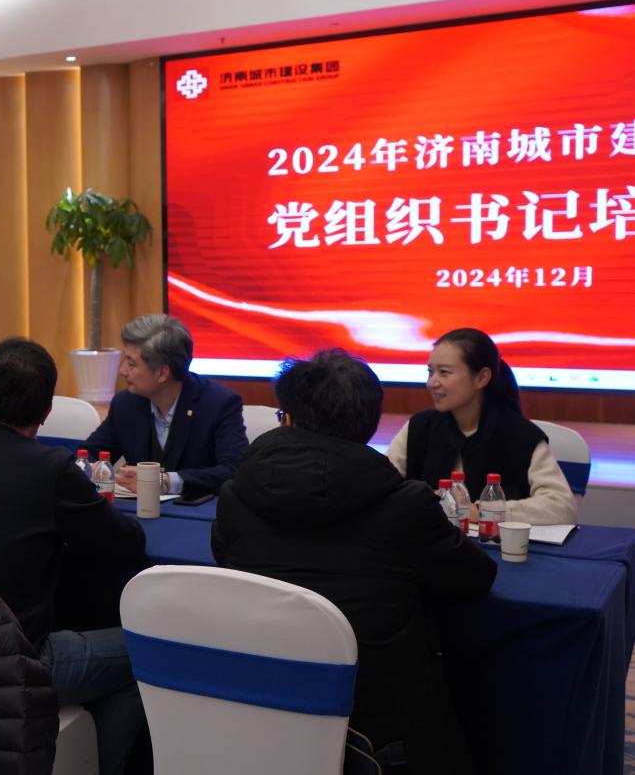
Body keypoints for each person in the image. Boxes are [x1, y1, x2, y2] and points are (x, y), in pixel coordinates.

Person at [213, 349, 496, 773]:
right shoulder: (405, 505)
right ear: (370, 424)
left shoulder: (237, 494)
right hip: (378, 721)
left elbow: (227, 562)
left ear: (288, 419)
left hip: (261, 698)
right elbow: (474, 578)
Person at [0, 338, 148, 775]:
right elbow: (125, 542)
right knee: (148, 652)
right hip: (13, 668)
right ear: (46, 411)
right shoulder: (49, 468)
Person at [386, 328, 578, 525]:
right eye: (430, 372)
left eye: (444, 372)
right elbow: (382, 488)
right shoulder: (419, 427)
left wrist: (482, 511)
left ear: (481, 378)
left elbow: (561, 506)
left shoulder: (521, 435)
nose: (432, 383)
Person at [82, 313, 249, 500]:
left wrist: (166, 481)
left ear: (162, 373)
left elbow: (234, 470)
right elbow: (88, 454)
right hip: (134, 511)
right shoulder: (126, 404)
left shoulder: (218, 404)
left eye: (131, 364)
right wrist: (90, 468)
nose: (123, 371)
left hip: (196, 512)